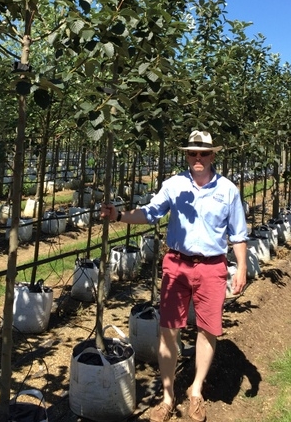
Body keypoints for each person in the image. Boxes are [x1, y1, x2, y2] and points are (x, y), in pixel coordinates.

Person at [101, 130, 248, 422]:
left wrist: (241, 267)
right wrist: (120, 216)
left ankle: (195, 391)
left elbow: (239, 234)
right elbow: (151, 212)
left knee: (208, 329)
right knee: (169, 330)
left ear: (213, 155)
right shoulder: (174, 184)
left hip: (212, 266)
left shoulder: (228, 190)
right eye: (192, 152)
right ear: (186, 154)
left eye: (203, 152)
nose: (197, 157)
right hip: (177, 265)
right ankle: (168, 397)